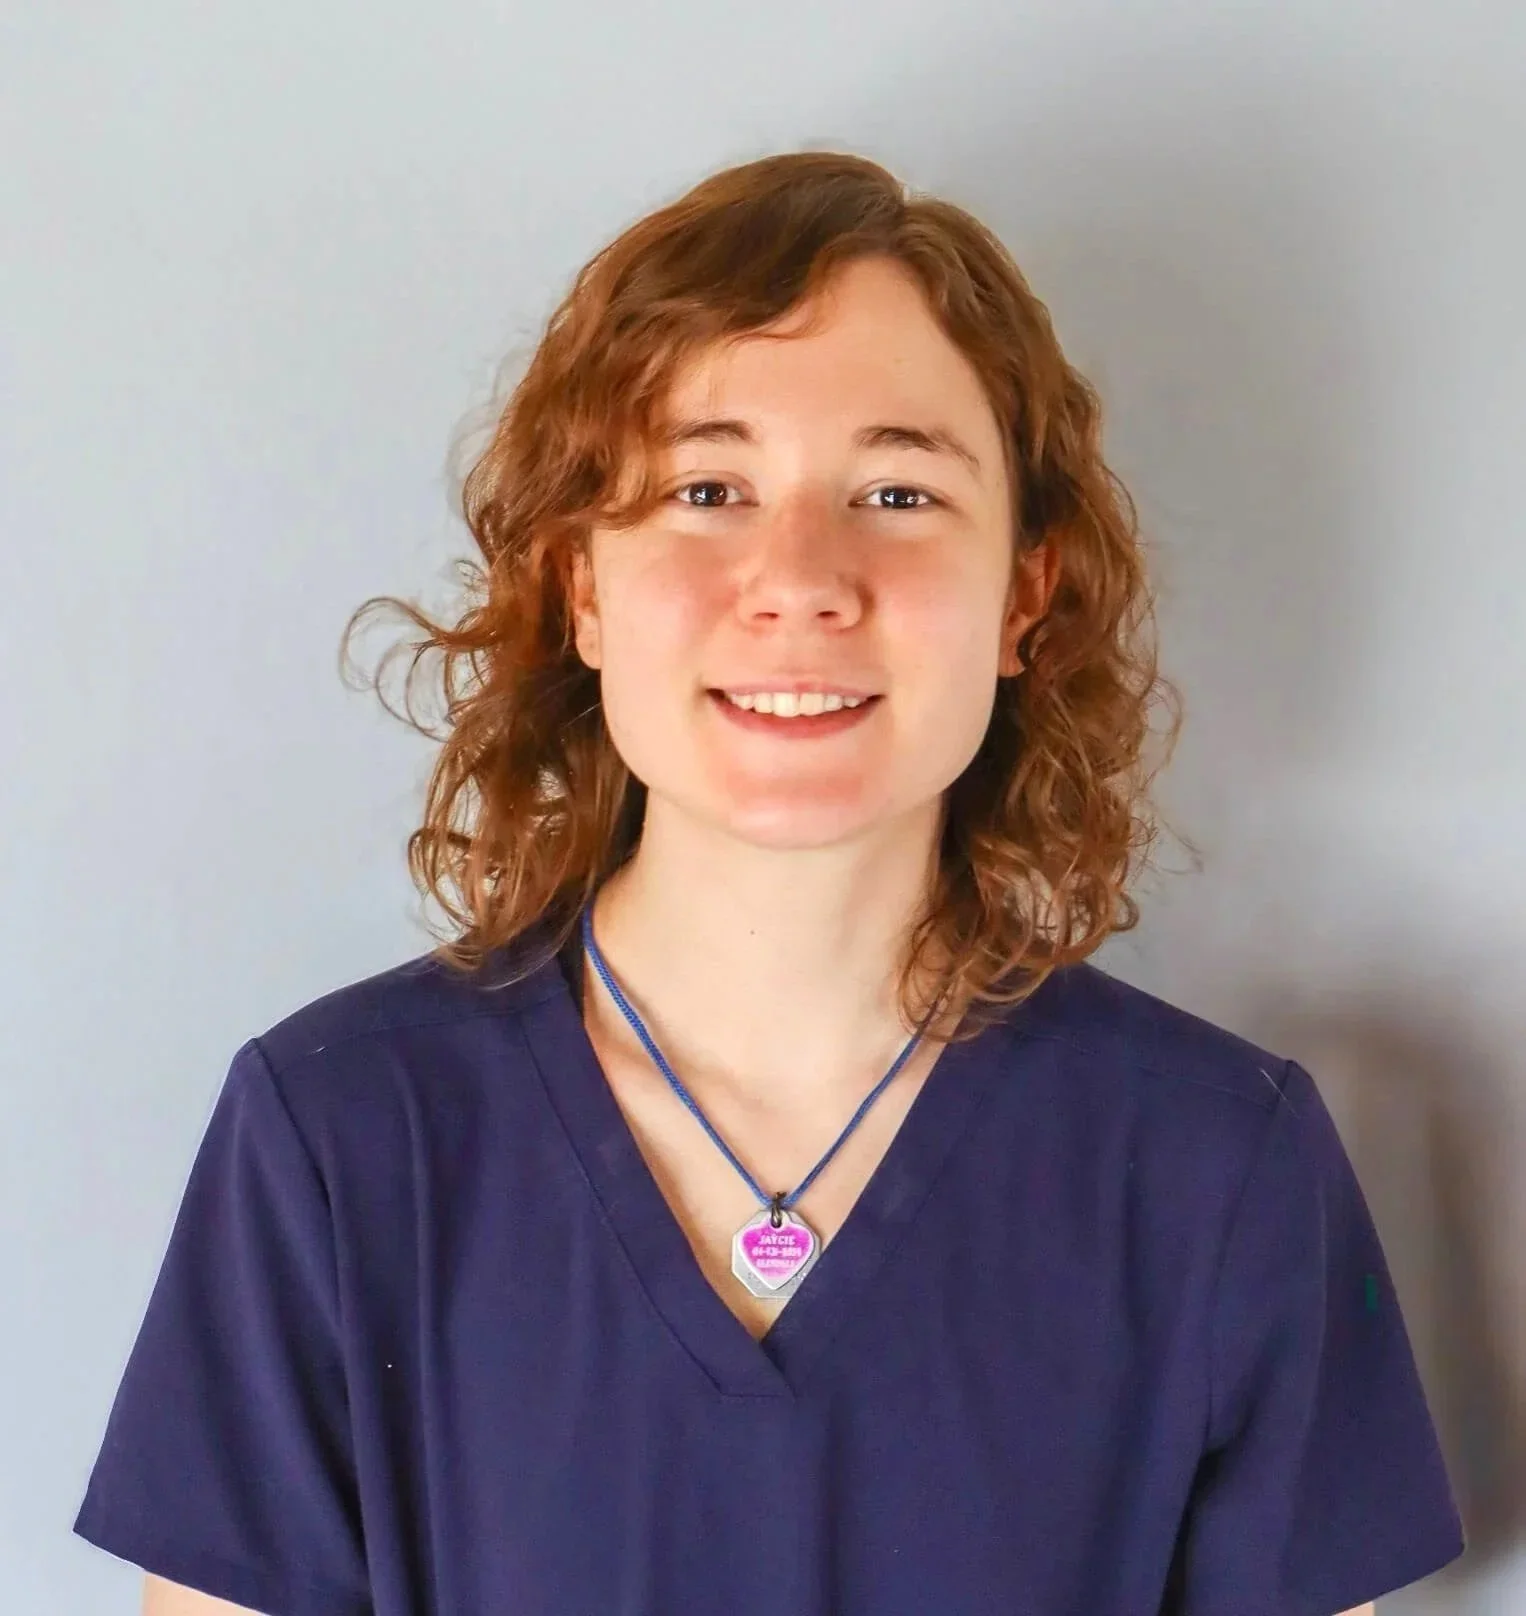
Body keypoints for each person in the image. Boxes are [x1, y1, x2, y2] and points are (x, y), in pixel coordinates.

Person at [73, 150, 1465, 1616]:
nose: (799, 576)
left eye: (894, 489)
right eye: (706, 485)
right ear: (583, 587)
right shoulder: (338, 1141)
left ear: (1025, 596)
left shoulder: (1214, 1169)